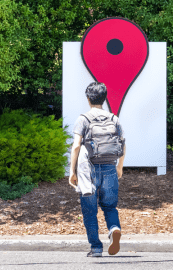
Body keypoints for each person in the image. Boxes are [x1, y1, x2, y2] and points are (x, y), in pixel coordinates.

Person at [69, 82, 126, 257]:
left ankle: (96, 248)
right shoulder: (113, 119)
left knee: (89, 211)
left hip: (89, 170)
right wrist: (119, 167)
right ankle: (114, 229)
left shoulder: (83, 119)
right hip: (109, 167)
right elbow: (122, 144)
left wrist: (72, 171)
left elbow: (77, 146)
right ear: (104, 98)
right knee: (109, 207)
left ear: (88, 99)